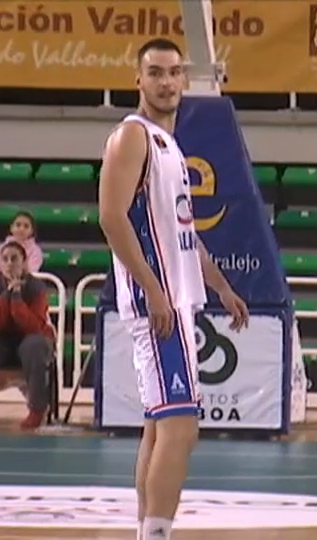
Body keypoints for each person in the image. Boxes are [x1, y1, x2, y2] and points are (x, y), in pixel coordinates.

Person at [97, 38, 249, 540]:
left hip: (178, 301)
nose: (166, 82)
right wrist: (155, 291)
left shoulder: (170, 146)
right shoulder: (131, 137)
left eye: (173, 73)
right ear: (138, 80)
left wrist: (223, 287)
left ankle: (148, 530)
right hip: (156, 304)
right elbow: (111, 218)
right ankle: (156, 534)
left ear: (184, 79)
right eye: (155, 73)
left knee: (160, 427)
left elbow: (183, 233)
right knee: (181, 429)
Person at [0, 240, 55, 433]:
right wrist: (5, 297)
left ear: (24, 263)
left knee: (35, 344)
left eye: (14, 259)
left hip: (29, 340)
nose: (9, 263)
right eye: (5, 259)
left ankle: (37, 409)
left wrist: (16, 298)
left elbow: (35, 326)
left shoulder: (37, 288)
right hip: (1, 343)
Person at [0, 210, 43, 290]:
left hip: (24, 290)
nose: (21, 229)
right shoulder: (1, 248)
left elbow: (31, 272)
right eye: (18, 225)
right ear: (11, 228)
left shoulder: (35, 251)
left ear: (31, 231)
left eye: (26, 226)